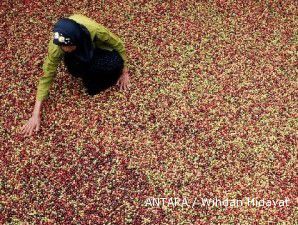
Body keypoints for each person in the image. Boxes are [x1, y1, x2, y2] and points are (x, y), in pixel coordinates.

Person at [20, 14, 130, 137]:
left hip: (94, 47)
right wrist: (35, 114)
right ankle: (85, 70)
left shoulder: (95, 30)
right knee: (80, 72)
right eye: (62, 46)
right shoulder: (57, 47)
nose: (65, 49)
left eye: (68, 46)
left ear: (77, 40)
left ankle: (94, 68)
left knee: (116, 62)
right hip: (78, 53)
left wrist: (124, 72)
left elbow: (118, 43)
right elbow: (47, 76)